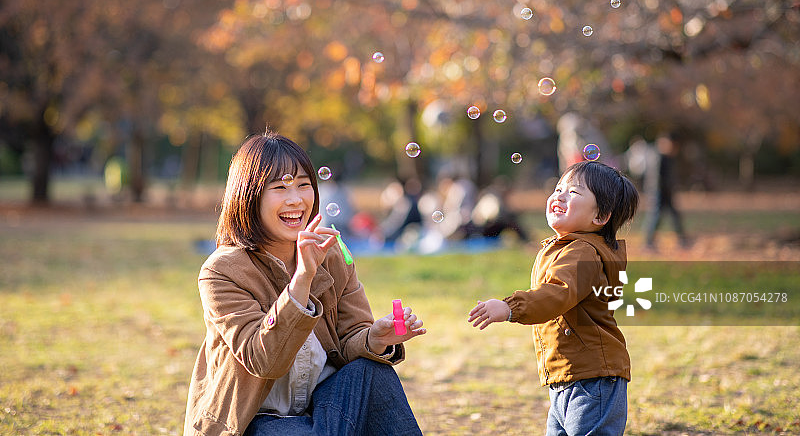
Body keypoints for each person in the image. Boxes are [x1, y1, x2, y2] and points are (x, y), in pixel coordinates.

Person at [184, 131, 426, 436]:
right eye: (279, 187)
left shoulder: (333, 252)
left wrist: (374, 339)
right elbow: (264, 360)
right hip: (255, 422)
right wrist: (302, 279)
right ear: (248, 196)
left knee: (374, 371)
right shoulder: (222, 272)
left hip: (322, 410)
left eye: (303, 185)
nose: (296, 199)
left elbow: (348, 341)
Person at [468, 160, 639, 436]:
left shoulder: (583, 252)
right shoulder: (566, 248)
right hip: (568, 377)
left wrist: (510, 307)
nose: (559, 195)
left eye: (574, 192)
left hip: (593, 379)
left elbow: (556, 294)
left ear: (601, 217)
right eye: (559, 188)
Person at [644, 133, 689, 249]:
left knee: (674, 216)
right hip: (658, 192)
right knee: (655, 216)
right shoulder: (658, 157)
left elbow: (669, 177)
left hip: (666, 192)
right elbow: (655, 178)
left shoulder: (668, 158)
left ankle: (683, 240)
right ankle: (648, 243)